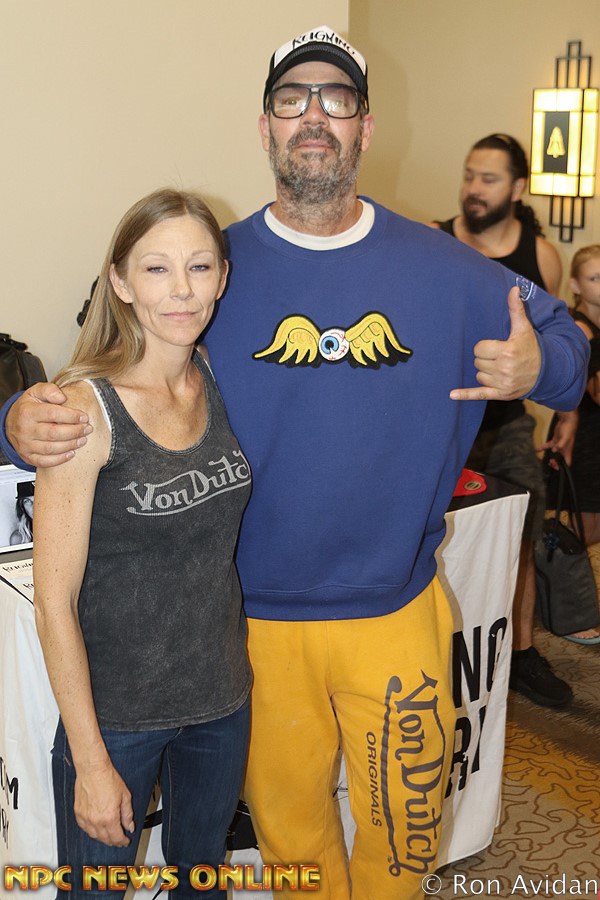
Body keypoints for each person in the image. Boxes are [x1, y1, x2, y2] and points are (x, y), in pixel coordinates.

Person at [0, 27, 589, 900]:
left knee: (405, 836)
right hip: (251, 630)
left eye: (336, 99)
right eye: (291, 99)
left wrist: (541, 366)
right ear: (266, 127)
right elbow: (106, 368)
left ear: (365, 128)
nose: (313, 115)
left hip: (394, 609)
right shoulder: (212, 268)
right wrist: (18, 418)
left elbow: (565, 342)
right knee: (291, 844)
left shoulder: (445, 268)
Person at [32, 188, 252, 897]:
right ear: (121, 283)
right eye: (157, 269)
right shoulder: (82, 408)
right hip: (117, 717)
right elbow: (54, 603)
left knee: (201, 879)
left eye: (199, 266)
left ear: (222, 276)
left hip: (220, 700)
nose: (182, 290)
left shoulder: (216, 374)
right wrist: (92, 762)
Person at [431, 133, 589, 697]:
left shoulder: (540, 256)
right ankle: (438, 647)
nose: (473, 188)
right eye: (469, 175)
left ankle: (522, 653)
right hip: (443, 419)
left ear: (518, 187)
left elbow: (551, 345)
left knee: (521, 533)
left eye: (489, 178)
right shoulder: (435, 241)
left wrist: (566, 414)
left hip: (506, 424)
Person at [546, 245, 600, 641]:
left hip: (593, 437)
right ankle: (564, 609)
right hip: (583, 440)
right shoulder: (581, 328)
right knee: (583, 531)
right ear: (577, 285)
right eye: (596, 278)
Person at [9, 480, 34, 544]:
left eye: (39, 498)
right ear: (22, 506)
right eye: (27, 501)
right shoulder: (18, 538)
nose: (34, 507)